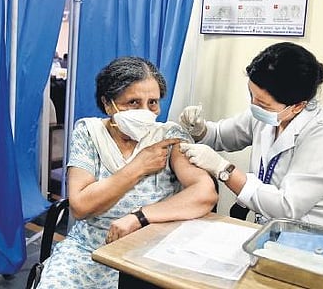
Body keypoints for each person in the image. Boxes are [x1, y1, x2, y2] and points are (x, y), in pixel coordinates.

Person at [37, 56, 218, 288]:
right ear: (107, 103)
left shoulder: (169, 136)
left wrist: (139, 217)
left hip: (150, 251)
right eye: (133, 102)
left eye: (153, 102)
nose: (145, 111)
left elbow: (205, 194)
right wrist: (138, 166)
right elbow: (81, 206)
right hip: (90, 248)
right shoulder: (89, 133)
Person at [179, 42, 323, 236]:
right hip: (273, 231)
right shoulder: (266, 114)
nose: (253, 106)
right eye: (252, 95)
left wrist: (224, 170)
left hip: (320, 238)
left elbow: (286, 207)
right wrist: (199, 128)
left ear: (298, 106)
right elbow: (220, 136)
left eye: (262, 103)